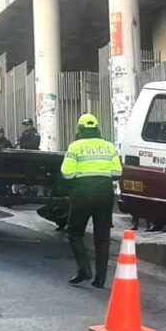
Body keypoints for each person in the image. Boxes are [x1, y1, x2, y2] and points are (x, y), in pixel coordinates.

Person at [60, 114, 122, 288]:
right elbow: (117, 173)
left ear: (80, 129)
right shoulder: (109, 147)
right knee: (102, 237)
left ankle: (84, 269)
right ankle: (100, 279)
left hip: (83, 192)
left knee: (74, 232)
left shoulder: (75, 146)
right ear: (97, 128)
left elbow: (67, 173)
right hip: (105, 192)